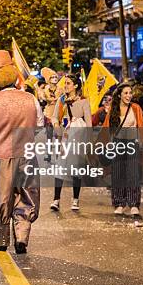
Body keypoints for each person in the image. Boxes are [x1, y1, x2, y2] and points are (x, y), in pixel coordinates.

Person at [0, 50, 44, 254]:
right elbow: (39, 130)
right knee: (27, 196)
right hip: (27, 156)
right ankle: (21, 239)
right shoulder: (31, 100)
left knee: (0, 198)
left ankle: (1, 241)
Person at [101, 83, 143, 216]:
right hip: (117, 145)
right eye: (126, 93)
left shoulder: (136, 108)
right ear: (120, 95)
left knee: (133, 174)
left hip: (133, 144)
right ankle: (119, 203)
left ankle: (134, 204)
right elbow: (107, 128)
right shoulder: (113, 109)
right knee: (118, 174)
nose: (129, 95)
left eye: (130, 93)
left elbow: (142, 125)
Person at [50, 74, 91, 212]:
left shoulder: (84, 101)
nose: (65, 85)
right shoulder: (61, 100)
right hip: (64, 136)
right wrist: (57, 127)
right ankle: (56, 199)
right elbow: (54, 117)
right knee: (60, 167)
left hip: (78, 136)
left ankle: (75, 200)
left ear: (76, 86)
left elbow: (89, 122)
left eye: (68, 83)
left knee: (76, 168)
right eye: (65, 83)